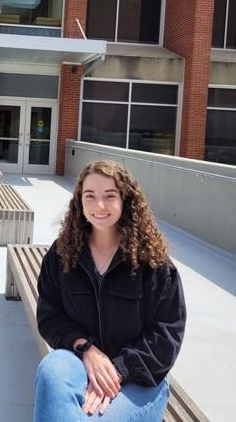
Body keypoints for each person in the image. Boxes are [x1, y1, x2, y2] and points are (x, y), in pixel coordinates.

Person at [34, 160, 186, 421]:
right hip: (79, 362)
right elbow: (50, 315)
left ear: (126, 201)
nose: (99, 205)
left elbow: (166, 336)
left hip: (142, 378)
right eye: (90, 196)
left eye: (110, 196)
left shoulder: (154, 264)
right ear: (79, 202)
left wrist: (117, 370)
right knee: (51, 370)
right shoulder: (62, 255)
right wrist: (85, 349)